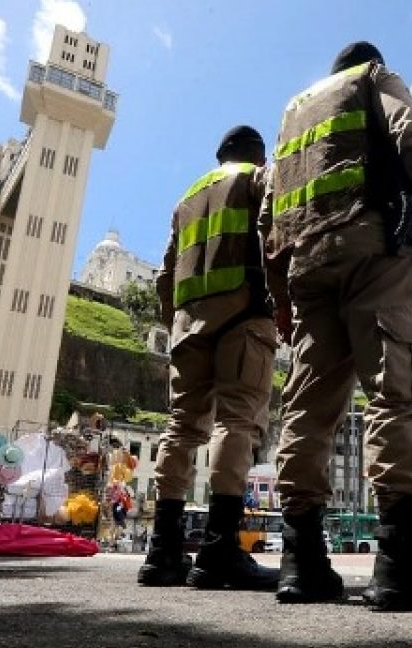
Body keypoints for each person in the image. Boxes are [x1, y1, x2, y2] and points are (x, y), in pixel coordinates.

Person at [263, 41, 412, 610]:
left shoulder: (294, 114)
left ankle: (301, 563)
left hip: (306, 268)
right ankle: (402, 560)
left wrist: (280, 297)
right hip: (377, 249)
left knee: (308, 408)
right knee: (398, 390)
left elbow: (269, 212)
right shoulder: (374, 78)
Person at [138, 125, 280, 591]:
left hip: (187, 322)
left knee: (181, 426)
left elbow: (165, 272)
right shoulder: (258, 179)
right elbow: (275, 237)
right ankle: (219, 550)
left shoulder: (188, 198)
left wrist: (177, 321)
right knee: (237, 420)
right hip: (244, 311)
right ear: (258, 155)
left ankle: (162, 553)